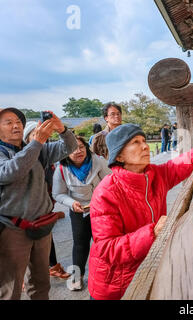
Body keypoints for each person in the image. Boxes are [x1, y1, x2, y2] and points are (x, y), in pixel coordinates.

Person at [87, 123, 193, 299]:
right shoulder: (106, 193)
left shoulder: (156, 175)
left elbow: (189, 158)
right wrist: (152, 232)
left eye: (143, 140)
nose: (144, 146)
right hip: (114, 284)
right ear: (119, 156)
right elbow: (107, 248)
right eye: (135, 142)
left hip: (146, 270)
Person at [0, 108, 77, 300]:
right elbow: (11, 171)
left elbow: (70, 147)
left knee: (41, 282)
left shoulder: (37, 149)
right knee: (11, 289)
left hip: (42, 227)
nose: (16, 125)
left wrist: (62, 130)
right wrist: (36, 143)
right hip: (12, 229)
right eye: (8, 122)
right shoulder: (20, 150)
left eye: (18, 121)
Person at [52, 136, 111, 291]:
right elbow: (58, 194)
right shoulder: (61, 169)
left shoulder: (98, 161)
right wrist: (72, 203)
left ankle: (108, 275)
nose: (78, 151)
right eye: (73, 148)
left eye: (81, 147)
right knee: (80, 244)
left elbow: (111, 182)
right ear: (65, 152)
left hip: (102, 208)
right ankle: (77, 277)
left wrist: (102, 201)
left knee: (104, 242)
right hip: (78, 209)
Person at [23, 121, 70, 280]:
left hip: (44, 206)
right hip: (22, 213)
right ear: (26, 138)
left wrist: (61, 129)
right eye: (34, 133)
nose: (41, 136)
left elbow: (70, 145)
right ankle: (21, 275)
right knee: (23, 246)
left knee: (46, 236)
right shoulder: (21, 157)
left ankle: (53, 266)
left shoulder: (46, 152)